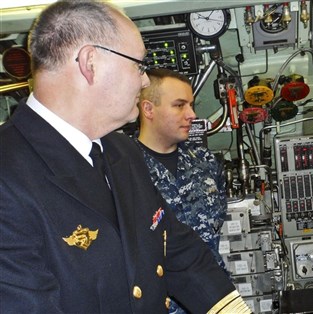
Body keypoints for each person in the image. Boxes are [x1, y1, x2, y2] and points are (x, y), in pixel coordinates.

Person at [0, 1, 250, 313]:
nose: (145, 81)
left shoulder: (121, 151)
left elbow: (176, 249)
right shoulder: (8, 174)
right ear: (90, 62)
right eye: (138, 65)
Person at [135, 69, 228, 313]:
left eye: (191, 105)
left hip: (213, 299)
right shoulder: (124, 171)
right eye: (179, 105)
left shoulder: (206, 162)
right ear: (148, 109)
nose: (192, 114)